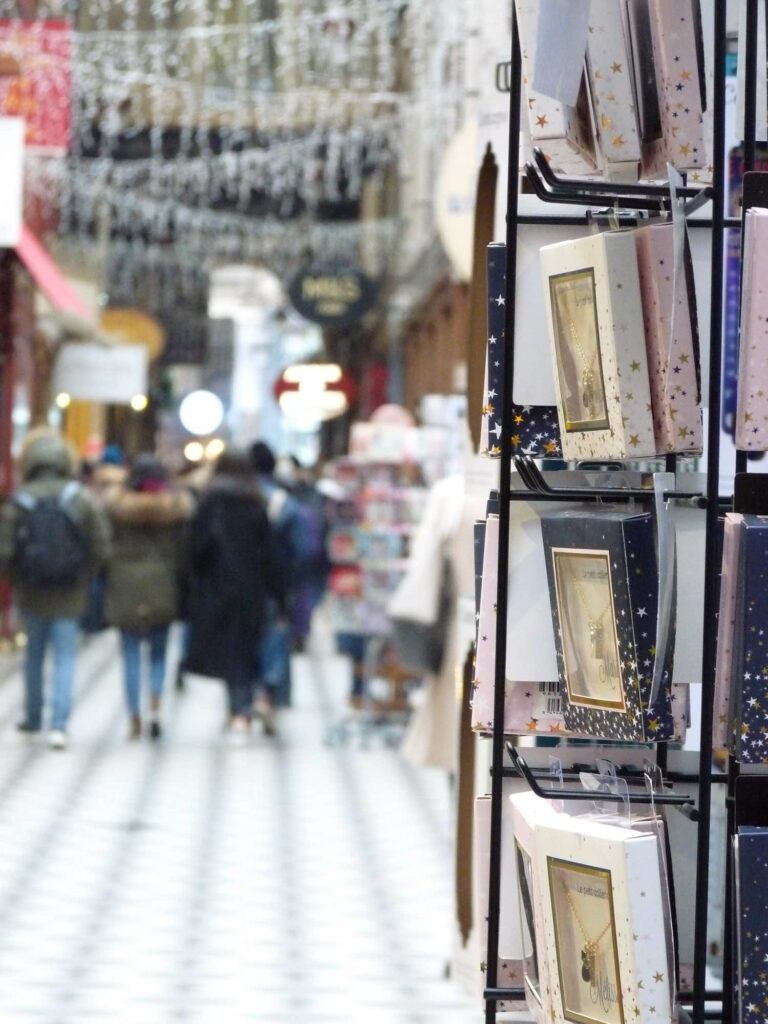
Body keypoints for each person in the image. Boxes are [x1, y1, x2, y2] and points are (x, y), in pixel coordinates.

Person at [0, 429, 111, 750]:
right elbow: (101, 546)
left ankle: (33, 717)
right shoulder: (79, 497)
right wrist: (86, 576)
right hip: (71, 589)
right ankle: (59, 724)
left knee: (33, 654)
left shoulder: (20, 499)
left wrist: (17, 579)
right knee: (65, 655)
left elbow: (5, 551)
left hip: (31, 591)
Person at [184, 447, 284, 742]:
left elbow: (196, 550)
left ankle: (238, 712)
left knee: (228, 652)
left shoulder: (208, 503)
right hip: (252, 589)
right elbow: (269, 554)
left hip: (217, 589)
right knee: (246, 649)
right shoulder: (256, 504)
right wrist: (278, 595)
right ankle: (244, 708)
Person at [103, 453, 192, 740]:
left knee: (129, 654)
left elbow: (105, 546)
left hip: (125, 584)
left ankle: (133, 717)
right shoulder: (174, 510)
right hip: (163, 583)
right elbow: (182, 553)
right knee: (158, 653)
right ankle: (155, 707)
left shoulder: (117, 509)